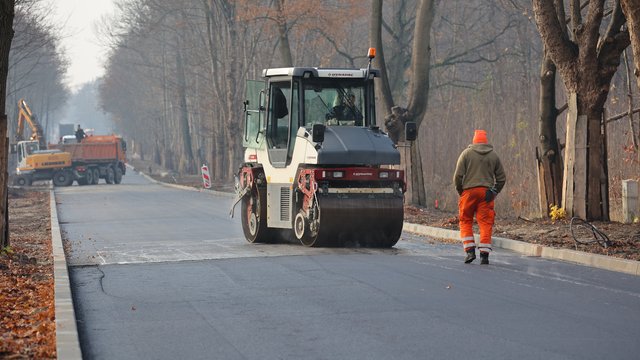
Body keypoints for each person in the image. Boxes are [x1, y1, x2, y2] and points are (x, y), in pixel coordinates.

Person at [453, 129, 506, 265]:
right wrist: (494, 191)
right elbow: (501, 178)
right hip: (486, 194)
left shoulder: (466, 154)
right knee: (485, 223)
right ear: (485, 141)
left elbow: (458, 176)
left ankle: (470, 251)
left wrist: (461, 191)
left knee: (465, 220)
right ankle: (484, 255)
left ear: (474, 140)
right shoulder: (493, 156)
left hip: (468, 192)